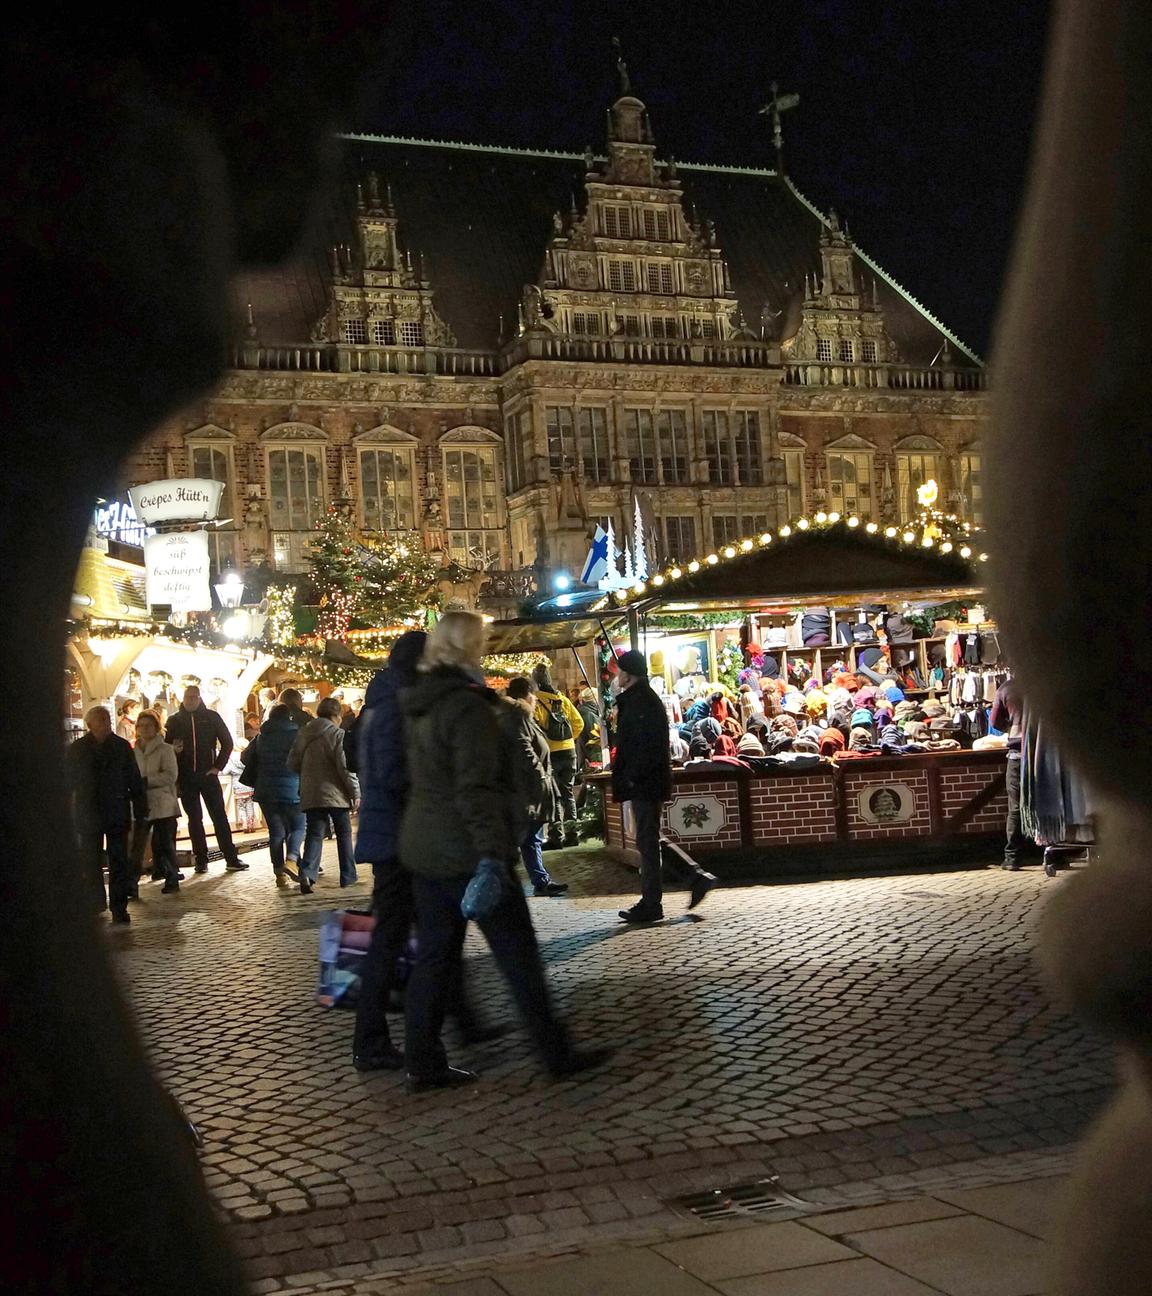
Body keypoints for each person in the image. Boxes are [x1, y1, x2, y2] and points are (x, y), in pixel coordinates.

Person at [400, 611, 610, 1092]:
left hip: (426, 847)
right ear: (467, 647)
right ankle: (557, 1053)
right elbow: (475, 789)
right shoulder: (466, 707)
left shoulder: (421, 702)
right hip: (468, 851)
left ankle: (422, 1060)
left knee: (435, 958)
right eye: (481, 641)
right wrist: (494, 855)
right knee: (519, 957)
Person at [352, 632, 501, 1071]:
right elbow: (396, 775)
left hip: (401, 836)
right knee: (396, 938)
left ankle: (461, 1022)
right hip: (397, 840)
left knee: (437, 933)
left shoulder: (389, 703)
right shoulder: (395, 707)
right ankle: (372, 1040)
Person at [612, 650, 717, 924]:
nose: (616, 676)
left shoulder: (641, 702)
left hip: (645, 781)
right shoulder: (640, 700)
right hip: (646, 780)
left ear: (627, 673)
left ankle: (653, 903)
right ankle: (694, 877)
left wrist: (633, 776)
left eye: (619, 671)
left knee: (647, 841)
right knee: (649, 838)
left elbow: (643, 746)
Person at [67, 705, 145, 923]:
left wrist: (140, 809)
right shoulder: (78, 749)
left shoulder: (121, 747)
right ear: (90, 725)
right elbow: (69, 781)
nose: (106, 724)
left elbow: (134, 779)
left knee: (118, 859)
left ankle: (119, 906)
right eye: (100, 721)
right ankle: (96, 902)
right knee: (91, 859)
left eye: (107, 720)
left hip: (116, 809)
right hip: (88, 811)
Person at [165, 685, 247, 874]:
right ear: (183, 699)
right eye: (188, 697)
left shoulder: (211, 717)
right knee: (194, 819)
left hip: (207, 776)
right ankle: (201, 860)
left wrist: (217, 766)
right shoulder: (175, 720)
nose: (191, 700)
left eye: (194, 697)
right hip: (186, 777)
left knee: (219, 817)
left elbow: (227, 742)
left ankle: (230, 857)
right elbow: (167, 747)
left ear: (199, 698)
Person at [502, 677, 568, 898]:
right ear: (528, 695)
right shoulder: (517, 716)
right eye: (534, 697)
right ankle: (509, 883)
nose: (536, 702)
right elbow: (524, 750)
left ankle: (540, 880)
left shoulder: (522, 716)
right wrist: (540, 775)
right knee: (525, 835)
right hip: (526, 789)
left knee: (532, 837)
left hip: (530, 788)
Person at [289, 696, 359, 893]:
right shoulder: (337, 735)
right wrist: (355, 792)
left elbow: (292, 762)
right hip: (336, 793)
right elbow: (345, 767)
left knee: (314, 833)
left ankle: (307, 875)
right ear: (336, 715)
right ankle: (348, 876)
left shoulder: (304, 733)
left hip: (311, 792)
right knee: (344, 833)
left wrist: (308, 776)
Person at [243, 689, 307, 887]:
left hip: (266, 791)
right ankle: (292, 858)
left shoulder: (261, 736)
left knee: (276, 832)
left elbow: (245, 757)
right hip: (293, 788)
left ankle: (279, 873)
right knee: (298, 827)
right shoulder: (297, 735)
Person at [531, 663, 584, 849]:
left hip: (551, 754)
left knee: (552, 796)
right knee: (568, 793)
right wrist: (569, 739)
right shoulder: (562, 700)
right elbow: (579, 723)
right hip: (569, 751)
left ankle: (555, 837)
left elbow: (534, 727)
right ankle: (572, 833)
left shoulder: (537, 701)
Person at [133, 709, 182, 894]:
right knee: (138, 845)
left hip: (163, 804)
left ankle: (172, 877)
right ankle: (132, 884)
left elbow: (170, 776)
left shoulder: (165, 750)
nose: (144, 729)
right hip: (141, 803)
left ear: (156, 728)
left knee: (164, 843)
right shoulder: (134, 751)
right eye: (141, 726)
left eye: (148, 725)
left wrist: (146, 781)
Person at [990, 676, 1027, 871]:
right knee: (1050, 800)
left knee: (1015, 807)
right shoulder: (1045, 684)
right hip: (1045, 751)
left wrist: (1011, 728)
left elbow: (995, 721)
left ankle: (1013, 856)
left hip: (1017, 754)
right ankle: (1054, 850)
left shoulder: (1006, 689)